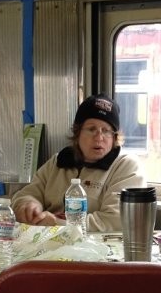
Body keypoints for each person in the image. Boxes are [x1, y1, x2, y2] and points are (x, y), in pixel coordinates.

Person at [11, 93, 144, 231]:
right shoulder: (58, 162)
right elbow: (27, 194)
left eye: (106, 131)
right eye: (91, 129)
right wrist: (28, 205)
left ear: (115, 137)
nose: (99, 137)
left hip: (96, 248)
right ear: (77, 132)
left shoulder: (126, 166)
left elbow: (116, 221)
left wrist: (58, 224)